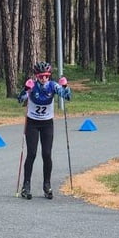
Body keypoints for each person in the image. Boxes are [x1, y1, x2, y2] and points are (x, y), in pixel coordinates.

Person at [17, 61, 71, 200]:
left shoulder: (53, 86)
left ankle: (47, 185)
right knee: (32, 154)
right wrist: (25, 89)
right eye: (41, 76)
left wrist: (65, 86)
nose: (44, 79)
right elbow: (20, 99)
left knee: (46, 154)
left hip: (47, 124)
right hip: (32, 124)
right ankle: (26, 186)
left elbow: (67, 96)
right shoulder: (32, 85)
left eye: (46, 76)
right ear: (36, 76)